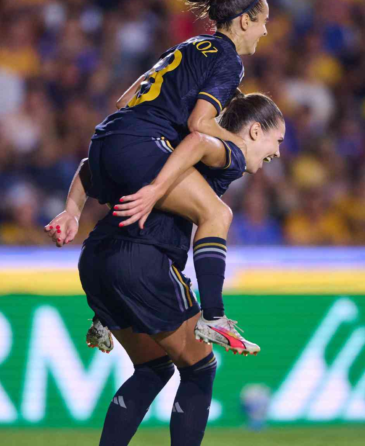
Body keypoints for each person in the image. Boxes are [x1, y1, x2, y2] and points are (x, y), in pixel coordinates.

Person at [49, 0, 269, 353]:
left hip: (107, 140)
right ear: (243, 21)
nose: (264, 30)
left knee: (144, 216)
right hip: (141, 142)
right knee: (215, 213)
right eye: (261, 21)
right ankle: (214, 318)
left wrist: (73, 208)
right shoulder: (229, 60)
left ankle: (107, 314)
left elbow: (123, 101)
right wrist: (235, 140)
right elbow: (199, 123)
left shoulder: (184, 48)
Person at [46, 92, 283, 446]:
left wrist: (72, 211)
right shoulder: (226, 149)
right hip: (143, 260)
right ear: (253, 131)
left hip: (97, 257)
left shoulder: (159, 144)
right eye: (276, 140)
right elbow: (200, 140)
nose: (277, 152)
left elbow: (89, 164)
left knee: (154, 367)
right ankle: (215, 318)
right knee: (200, 368)